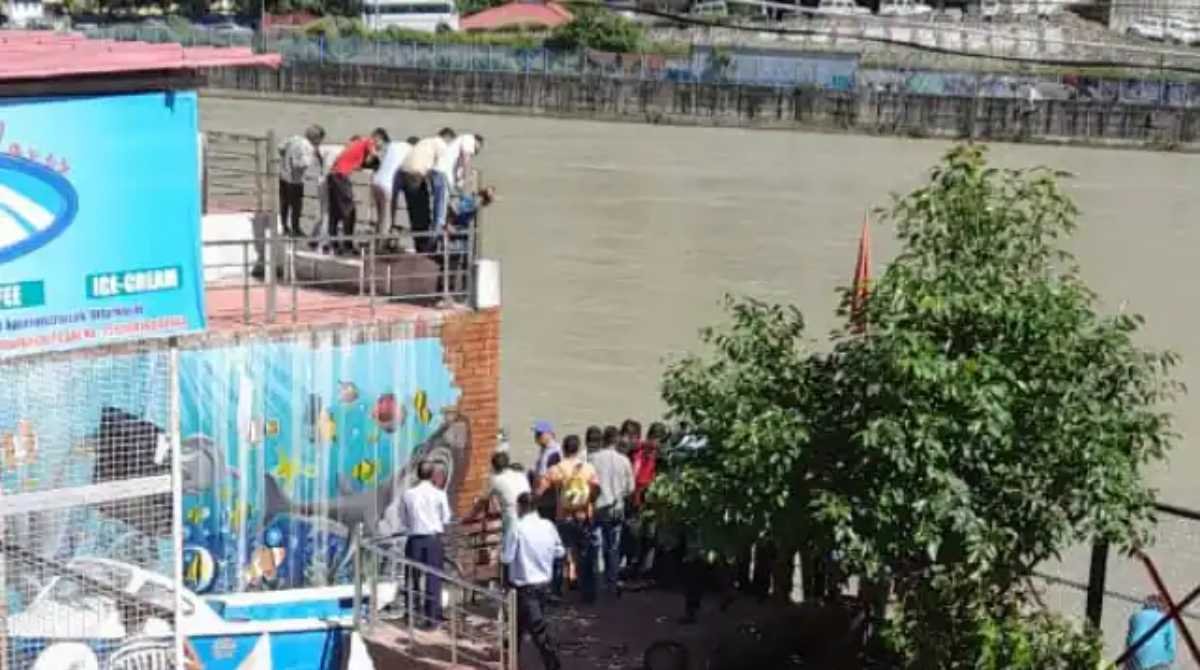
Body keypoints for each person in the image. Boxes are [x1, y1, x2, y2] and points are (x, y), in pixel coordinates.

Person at [502, 492, 564, 670]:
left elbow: (507, 557)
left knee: (536, 630)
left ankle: (553, 664)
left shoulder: (517, 527)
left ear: (521, 507)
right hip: (543, 585)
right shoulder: (548, 525)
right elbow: (559, 551)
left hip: (524, 587)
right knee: (518, 627)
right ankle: (511, 660)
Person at [537, 434, 600, 603]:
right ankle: (588, 592)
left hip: (563, 517)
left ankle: (556, 592)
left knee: (560, 554)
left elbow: (540, 490)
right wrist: (589, 503)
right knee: (585, 554)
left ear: (563, 450)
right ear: (578, 449)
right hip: (583, 517)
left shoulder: (557, 469)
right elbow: (596, 490)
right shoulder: (588, 468)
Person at [399, 461, 451, 627]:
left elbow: (403, 518)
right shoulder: (439, 494)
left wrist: (413, 524)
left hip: (414, 539)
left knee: (412, 577)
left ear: (417, 474)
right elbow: (446, 518)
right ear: (432, 475)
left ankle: (411, 613)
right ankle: (432, 617)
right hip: (432, 539)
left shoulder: (408, 494)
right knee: (433, 578)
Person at [468, 451, 530, 583]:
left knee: (508, 554)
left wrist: (469, 517)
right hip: (529, 514)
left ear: (494, 466)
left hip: (512, 517)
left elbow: (482, 502)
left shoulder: (495, 480)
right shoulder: (520, 475)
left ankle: (508, 584)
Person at [590, 425, 634, 599]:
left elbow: (588, 484)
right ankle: (612, 584)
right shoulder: (624, 460)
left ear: (603, 439)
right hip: (616, 508)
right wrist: (619, 494)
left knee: (597, 545)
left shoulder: (593, 459)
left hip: (598, 507)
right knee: (614, 547)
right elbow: (630, 488)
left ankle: (597, 584)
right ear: (616, 440)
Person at [327, 128, 387, 255]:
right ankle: (347, 245)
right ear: (378, 138)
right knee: (350, 211)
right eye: (382, 143)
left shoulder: (357, 143)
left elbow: (356, 162)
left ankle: (333, 243)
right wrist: (378, 162)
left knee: (335, 212)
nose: (381, 147)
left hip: (333, 175)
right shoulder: (369, 141)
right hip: (341, 175)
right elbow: (373, 156)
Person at [399, 128, 455, 255]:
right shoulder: (440, 143)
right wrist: (452, 187)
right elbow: (444, 168)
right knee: (423, 211)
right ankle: (426, 247)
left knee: (414, 210)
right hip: (416, 174)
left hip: (405, 172)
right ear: (446, 138)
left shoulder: (426, 141)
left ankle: (420, 244)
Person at [443, 185, 495, 294]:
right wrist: (449, 224)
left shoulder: (473, 200)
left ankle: (459, 291)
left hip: (462, 233)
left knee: (461, 262)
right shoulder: (474, 202)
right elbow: (453, 207)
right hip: (457, 233)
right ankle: (451, 291)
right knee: (454, 262)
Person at [277, 125, 325, 238]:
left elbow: (280, 148)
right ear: (316, 138)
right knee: (296, 206)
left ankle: (284, 227)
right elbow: (303, 164)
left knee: (284, 204)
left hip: (283, 175)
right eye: (320, 140)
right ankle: (295, 229)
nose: (320, 143)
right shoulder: (307, 147)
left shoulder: (294, 138)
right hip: (295, 180)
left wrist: (286, 159)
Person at [370, 135, 417, 244]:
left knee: (380, 217)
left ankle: (376, 243)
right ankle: (382, 246)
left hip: (376, 181)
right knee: (387, 218)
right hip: (387, 185)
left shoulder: (393, 145)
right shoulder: (411, 150)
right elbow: (407, 170)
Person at [433, 132, 484, 228]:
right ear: (477, 142)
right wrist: (467, 190)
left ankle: (440, 227)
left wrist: (461, 182)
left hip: (440, 174)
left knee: (441, 204)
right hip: (442, 173)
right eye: (476, 149)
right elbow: (466, 161)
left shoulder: (457, 148)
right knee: (442, 208)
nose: (475, 153)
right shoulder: (469, 139)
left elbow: (459, 172)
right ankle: (438, 230)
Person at [1126, 594, 1176, 670]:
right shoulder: (1167, 620)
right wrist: (1169, 659)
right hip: (1158, 659)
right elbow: (1171, 646)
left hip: (1136, 655)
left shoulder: (1135, 616)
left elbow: (1129, 639)